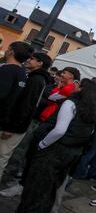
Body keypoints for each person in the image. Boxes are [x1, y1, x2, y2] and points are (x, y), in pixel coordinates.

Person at [16, 78, 96, 213]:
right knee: (50, 188)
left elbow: (60, 130)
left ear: (82, 89)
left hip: (55, 150)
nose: (74, 85)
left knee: (36, 189)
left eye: (77, 84)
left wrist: (43, 144)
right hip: (71, 153)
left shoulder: (71, 103)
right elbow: (89, 131)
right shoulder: (93, 107)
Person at [0, 52, 52, 183]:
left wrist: (12, 127)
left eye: (33, 59)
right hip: (16, 125)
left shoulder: (36, 79)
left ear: (40, 63)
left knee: (2, 156)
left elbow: (26, 105)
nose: (29, 60)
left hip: (15, 127)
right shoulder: (37, 77)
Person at [0, 41, 33, 181]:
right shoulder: (23, 74)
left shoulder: (6, 70)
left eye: (8, 48)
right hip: (8, 123)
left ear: (11, 51)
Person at [72, 80, 96, 180]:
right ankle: (80, 172)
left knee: (93, 152)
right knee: (91, 152)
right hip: (95, 130)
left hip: (94, 130)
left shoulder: (94, 100)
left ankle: (83, 172)